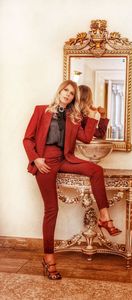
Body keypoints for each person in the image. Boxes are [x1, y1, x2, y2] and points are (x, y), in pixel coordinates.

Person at [23, 80, 121, 280]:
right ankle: (49, 259)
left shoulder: (73, 117)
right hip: (45, 162)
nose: (67, 95)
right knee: (52, 210)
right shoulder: (41, 110)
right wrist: (36, 158)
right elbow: (27, 139)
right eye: (65, 91)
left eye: (71, 93)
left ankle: (104, 217)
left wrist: (95, 116)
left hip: (65, 159)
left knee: (95, 170)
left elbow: (86, 138)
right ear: (59, 91)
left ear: (73, 99)